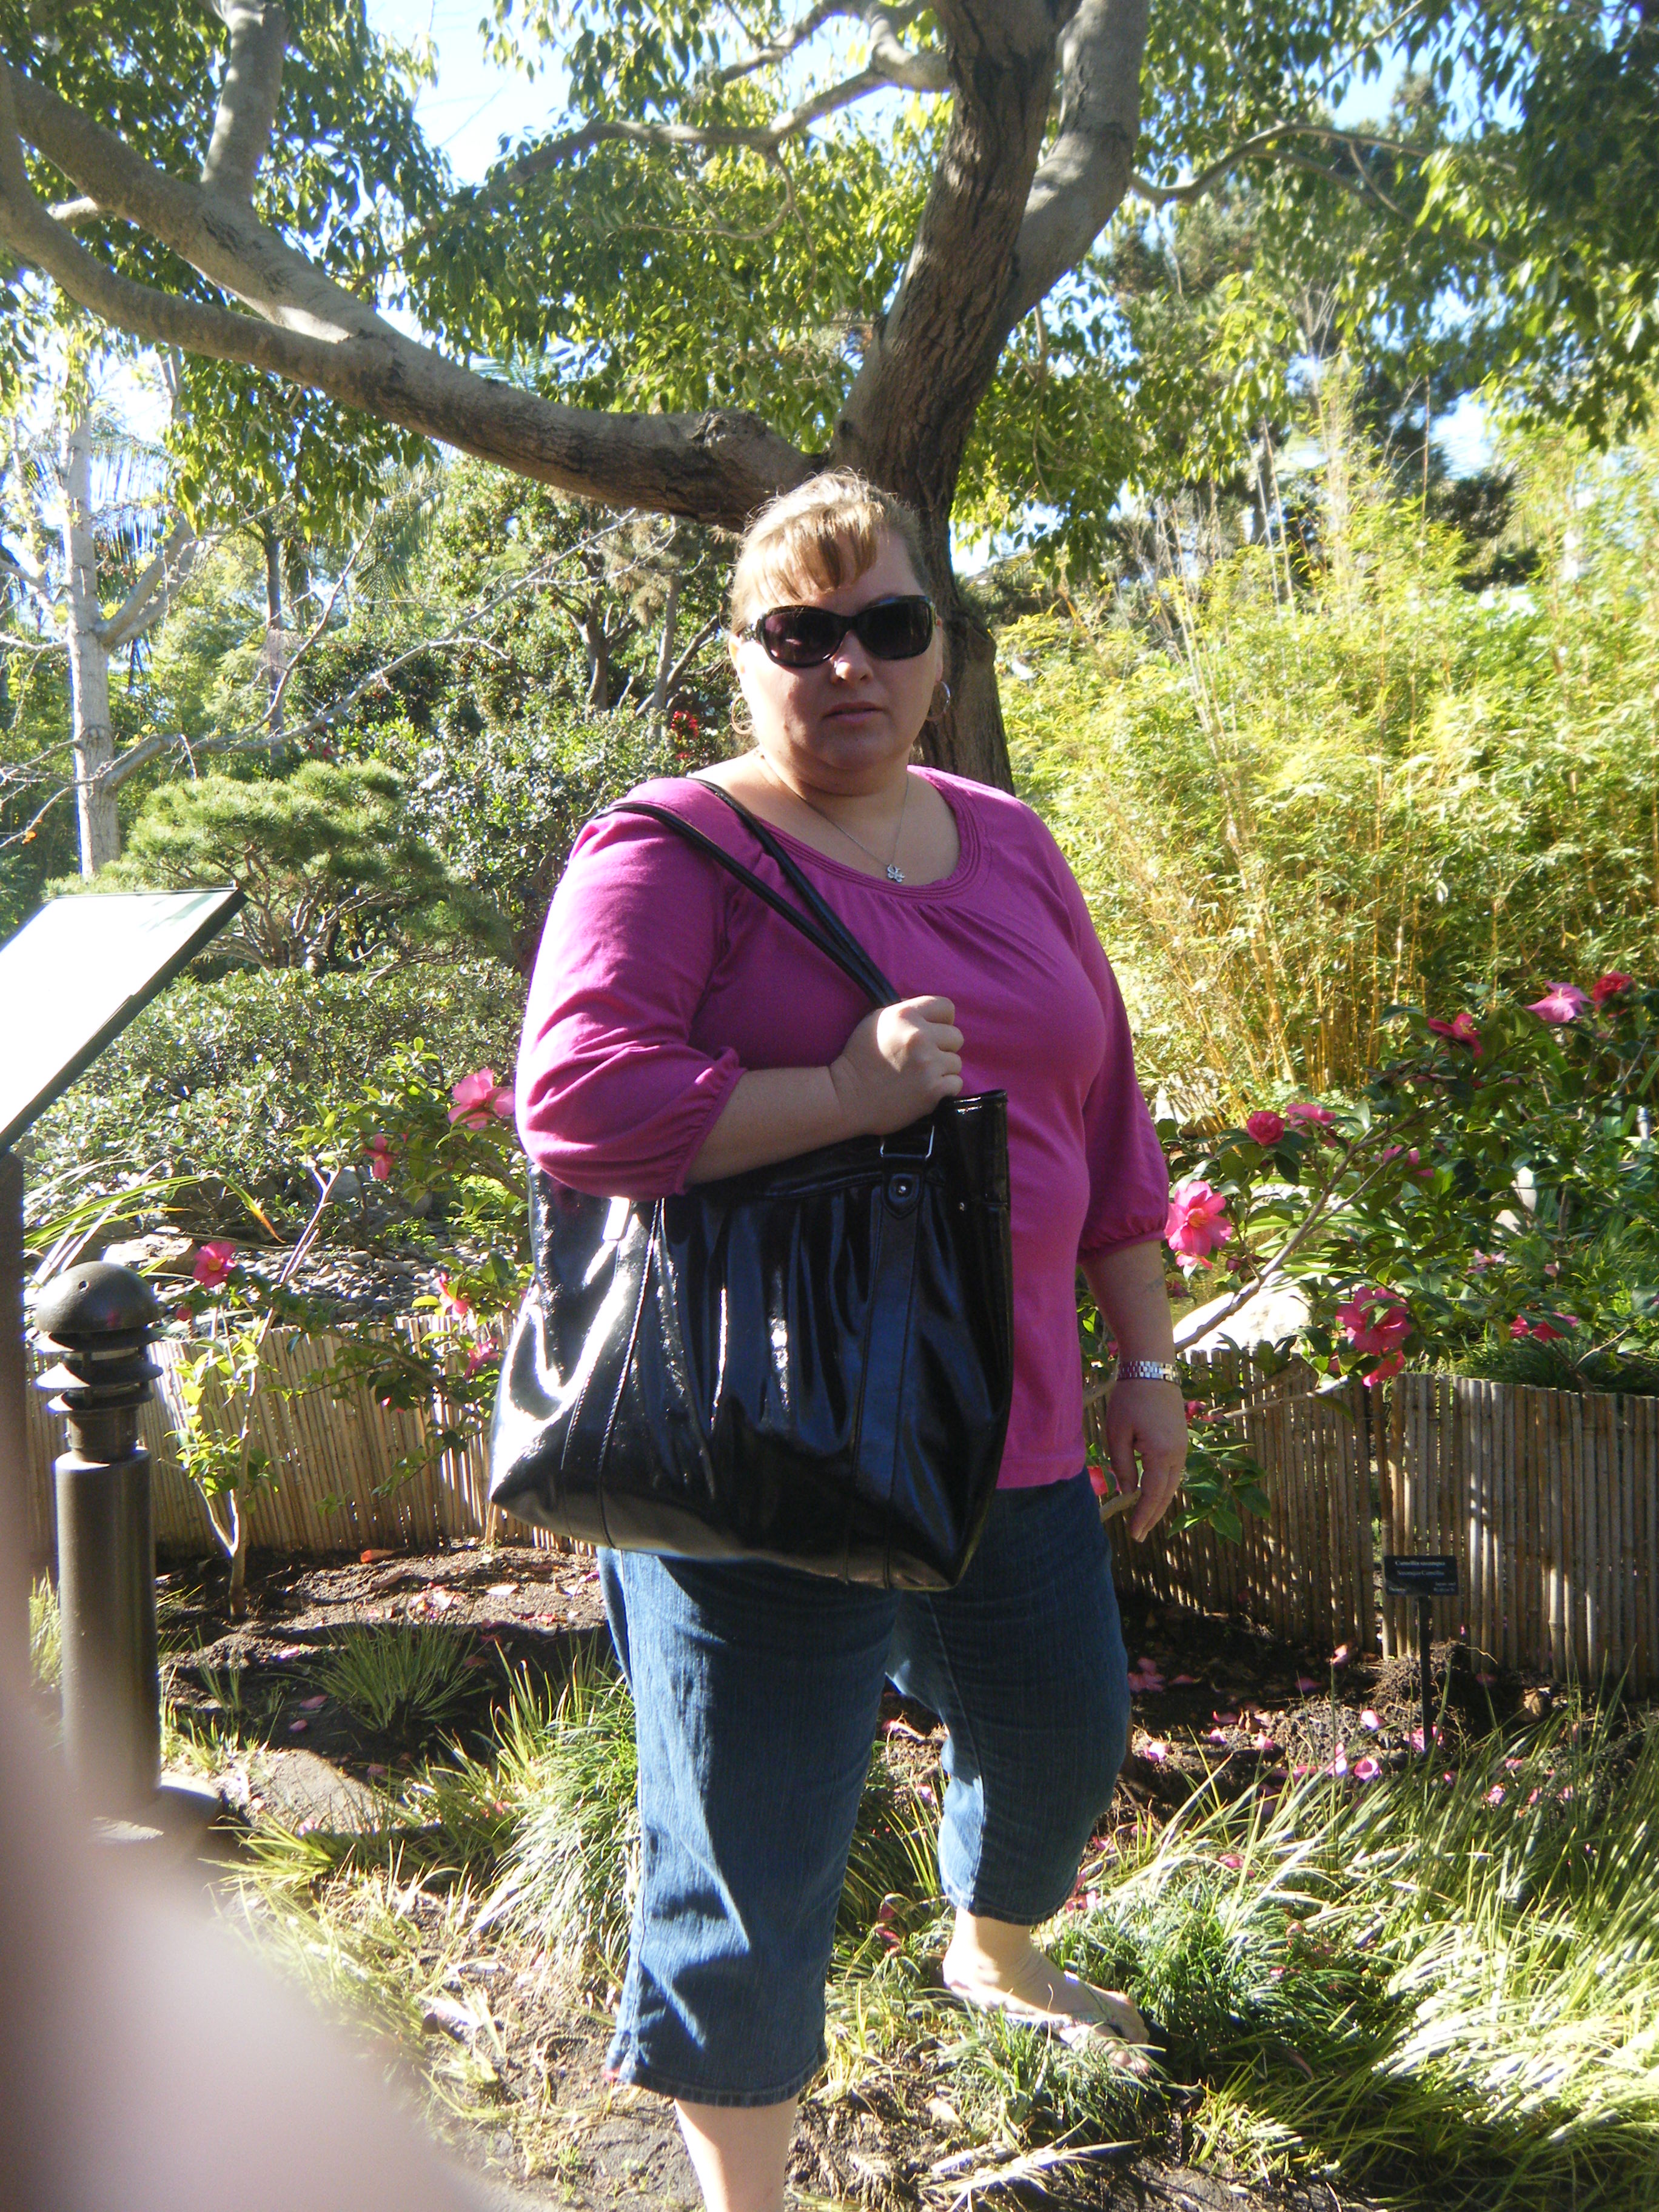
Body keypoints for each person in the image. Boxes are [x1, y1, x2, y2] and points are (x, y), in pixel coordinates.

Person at [516, 472, 1187, 2212]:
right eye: (800, 634)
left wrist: (1147, 1362)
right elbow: (576, 1101)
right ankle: (747, 2193)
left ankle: (997, 1947)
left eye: (888, 625)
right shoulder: (671, 849)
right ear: (742, 660)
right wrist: (840, 1090)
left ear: (939, 651)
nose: (849, 667)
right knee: (751, 1852)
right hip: (764, 1438)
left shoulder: (1008, 840)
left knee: (1062, 1729)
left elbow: (1103, 1110)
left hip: (1007, 1421)